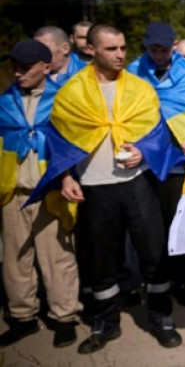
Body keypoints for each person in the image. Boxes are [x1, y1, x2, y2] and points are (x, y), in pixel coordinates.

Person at [28, 23, 185, 353]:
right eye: (111, 49)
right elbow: (59, 140)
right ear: (91, 50)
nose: (120, 55)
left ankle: (160, 316)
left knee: (154, 251)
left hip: (137, 183)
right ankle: (106, 322)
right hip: (95, 187)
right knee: (100, 258)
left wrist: (144, 151)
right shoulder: (72, 93)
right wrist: (67, 177)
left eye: (123, 48)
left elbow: (158, 134)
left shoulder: (140, 89)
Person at [0, 40, 81, 348]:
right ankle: (23, 317)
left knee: (57, 256)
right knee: (14, 256)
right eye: (14, 68)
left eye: (26, 68)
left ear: (46, 67)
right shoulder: (4, 102)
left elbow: (73, 145)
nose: (18, 74)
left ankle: (64, 317)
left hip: (51, 189)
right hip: (13, 190)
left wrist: (67, 178)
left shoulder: (63, 101)